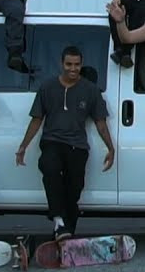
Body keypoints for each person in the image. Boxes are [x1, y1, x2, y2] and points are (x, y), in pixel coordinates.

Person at [15, 46, 115, 241]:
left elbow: (100, 123)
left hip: (77, 146)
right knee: (50, 171)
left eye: (77, 64)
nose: (73, 68)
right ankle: (58, 220)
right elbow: (36, 119)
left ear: (81, 64)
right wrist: (23, 146)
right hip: (52, 142)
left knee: (74, 189)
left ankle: (65, 234)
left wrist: (111, 149)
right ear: (62, 64)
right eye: (69, 64)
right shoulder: (47, 87)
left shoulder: (91, 90)